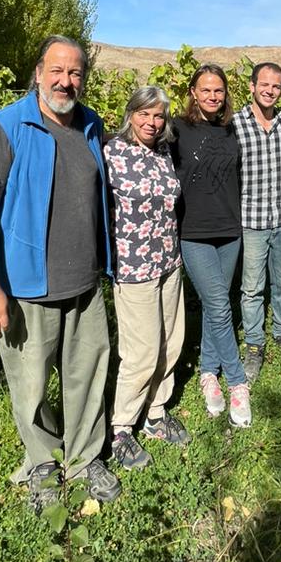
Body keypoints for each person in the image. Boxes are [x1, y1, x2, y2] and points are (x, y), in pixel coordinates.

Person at [0, 35, 121, 508]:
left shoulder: (91, 125)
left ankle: (85, 456)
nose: (65, 81)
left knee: (88, 376)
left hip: (85, 283)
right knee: (31, 386)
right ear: (38, 73)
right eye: (57, 71)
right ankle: (41, 461)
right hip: (27, 286)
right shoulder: (6, 127)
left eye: (75, 73)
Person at [105, 85, 191, 469]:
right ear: (131, 114)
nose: (152, 123)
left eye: (158, 116)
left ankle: (156, 412)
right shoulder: (112, 154)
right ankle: (121, 427)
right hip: (134, 268)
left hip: (168, 262)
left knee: (171, 342)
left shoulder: (162, 154)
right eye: (145, 114)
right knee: (140, 352)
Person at [170, 64, 251, 427]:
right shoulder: (177, 129)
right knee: (220, 305)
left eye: (218, 91)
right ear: (193, 92)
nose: (213, 97)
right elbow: (141, 137)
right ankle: (237, 382)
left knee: (213, 305)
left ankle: (207, 372)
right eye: (205, 90)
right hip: (194, 233)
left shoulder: (232, 130)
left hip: (230, 232)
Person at [232, 62, 281, 383]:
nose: (270, 91)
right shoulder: (234, 124)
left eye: (276, 87)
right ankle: (254, 343)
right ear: (252, 86)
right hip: (250, 220)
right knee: (251, 288)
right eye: (264, 84)